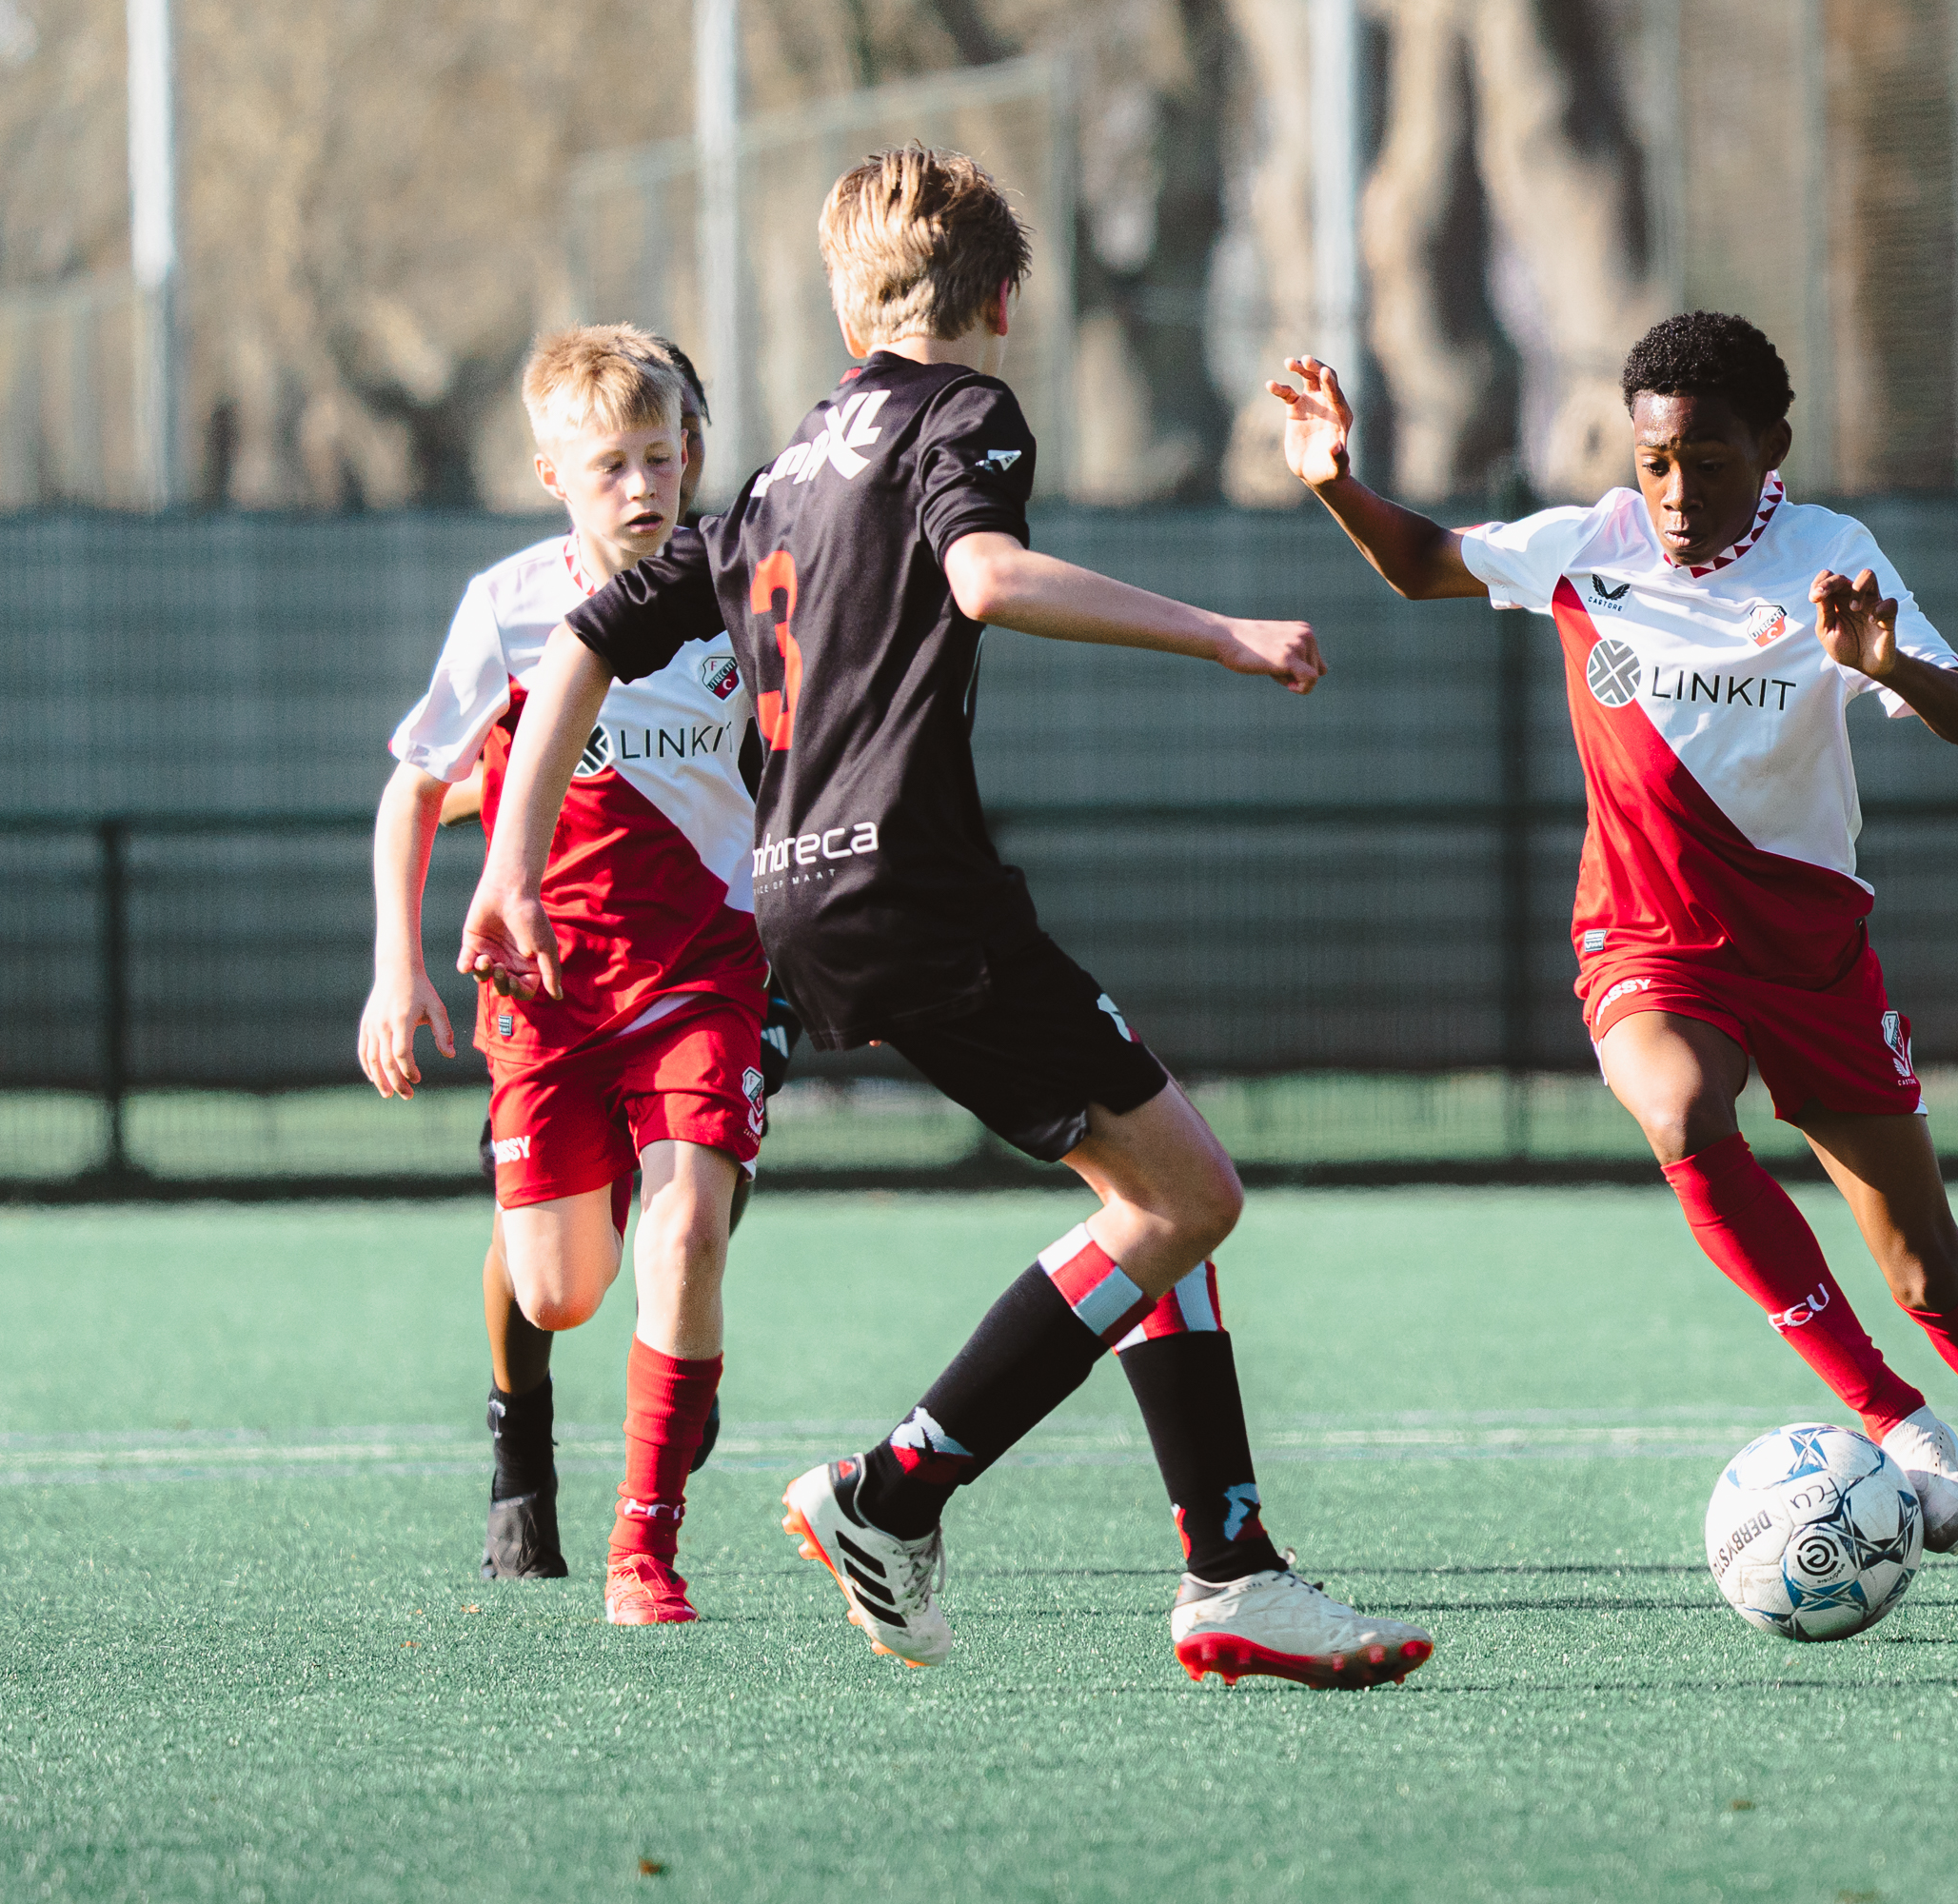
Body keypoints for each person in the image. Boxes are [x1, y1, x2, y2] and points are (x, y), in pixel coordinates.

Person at [459, 145, 1434, 1686]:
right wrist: (1225, 635)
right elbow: (983, 576)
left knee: (1157, 1182)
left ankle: (1228, 1564)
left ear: (851, 307)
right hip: (911, 885)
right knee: (1191, 1198)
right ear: (997, 301)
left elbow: (578, 645)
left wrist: (506, 867)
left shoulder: (782, 467)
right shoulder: (962, 412)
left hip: (798, 898)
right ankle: (894, 1493)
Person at [1268, 312, 1958, 1628]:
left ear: (1770, 448)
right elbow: (1424, 564)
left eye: (1707, 462)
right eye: (1656, 461)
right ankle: (1894, 1417)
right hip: (1647, 940)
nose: (1675, 492)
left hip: (1811, 951)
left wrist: (1886, 666)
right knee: (1677, 1111)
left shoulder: (1835, 557)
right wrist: (1334, 481)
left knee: (1926, 1269)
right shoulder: (1588, 544)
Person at [360, 324, 769, 1626]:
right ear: (551, 475)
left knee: (687, 1225)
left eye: (664, 456)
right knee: (560, 1287)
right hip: (545, 989)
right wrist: (394, 969)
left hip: (703, 965)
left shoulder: (743, 591)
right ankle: (520, 1432)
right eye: (612, 467)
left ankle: (643, 1547)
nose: (646, 486)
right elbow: (414, 788)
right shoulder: (511, 607)